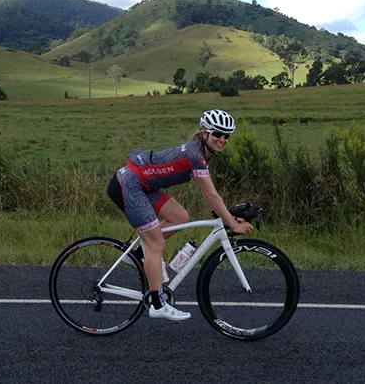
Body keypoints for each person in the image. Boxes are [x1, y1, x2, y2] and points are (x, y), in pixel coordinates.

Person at [106, 109, 254, 322]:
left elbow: (213, 199)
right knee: (156, 243)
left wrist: (229, 217)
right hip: (130, 185)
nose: (222, 139)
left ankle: (140, 253)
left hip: (143, 184)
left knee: (181, 217)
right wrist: (232, 224)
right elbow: (211, 195)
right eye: (218, 134)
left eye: (227, 136)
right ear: (205, 132)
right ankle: (158, 304)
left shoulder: (202, 154)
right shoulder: (196, 155)